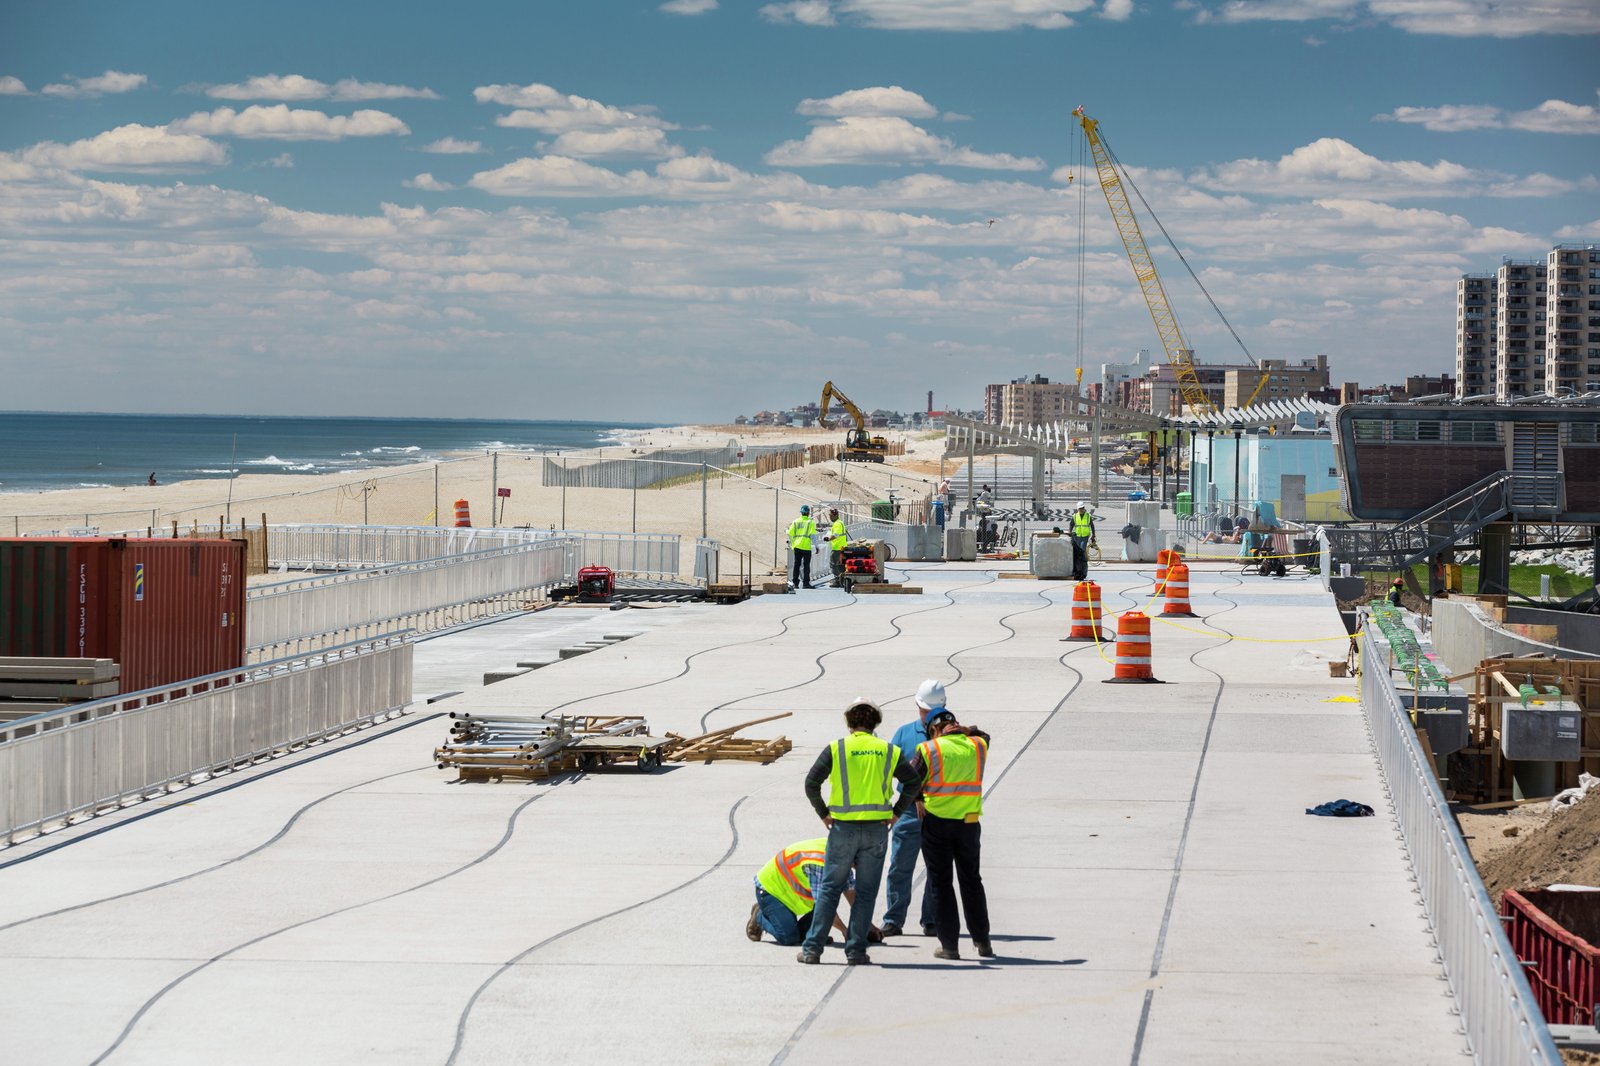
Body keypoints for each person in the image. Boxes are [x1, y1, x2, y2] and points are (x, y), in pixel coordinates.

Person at [798, 699, 921, 965]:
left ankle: (812, 950)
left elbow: (811, 783)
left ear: (849, 722)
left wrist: (823, 813)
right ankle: (855, 951)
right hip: (877, 829)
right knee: (865, 892)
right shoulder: (888, 750)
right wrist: (898, 811)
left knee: (830, 889)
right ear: (875, 722)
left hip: (842, 828)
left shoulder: (837, 749)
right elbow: (912, 781)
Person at [909, 709, 993, 960]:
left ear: (934, 730)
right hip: (968, 823)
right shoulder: (976, 745)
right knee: (971, 881)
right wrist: (964, 730)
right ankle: (983, 942)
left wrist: (918, 799)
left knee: (941, 883)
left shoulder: (928, 749)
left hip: (937, 823)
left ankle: (949, 946)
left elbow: (909, 780)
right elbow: (984, 735)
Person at [880, 680, 945, 939]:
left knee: (936, 869)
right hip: (907, 812)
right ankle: (894, 920)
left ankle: (931, 920)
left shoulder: (952, 735)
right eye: (924, 711)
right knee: (900, 866)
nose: (929, 716)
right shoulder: (904, 734)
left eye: (933, 711)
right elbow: (890, 769)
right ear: (917, 705)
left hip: (939, 811)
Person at [746, 837, 881, 946]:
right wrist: (845, 931)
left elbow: (852, 896)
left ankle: (807, 934)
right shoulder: (821, 865)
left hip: (788, 893)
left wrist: (869, 926)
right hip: (770, 891)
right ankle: (760, 916)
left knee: (826, 907)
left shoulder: (843, 855)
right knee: (789, 938)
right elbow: (824, 907)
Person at [787, 504, 817, 590]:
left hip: (797, 546)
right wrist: (817, 546)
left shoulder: (796, 521)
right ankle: (806, 583)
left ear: (801, 513)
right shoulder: (810, 522)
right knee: (806, 565)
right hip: (806, 547)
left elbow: (790, 533)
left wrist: (786, 530)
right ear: (808, 513)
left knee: (797, 564)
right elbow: (813, 536)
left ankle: (795, 583)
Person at [1070, 502, 1097, 581]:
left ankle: (1082, 568)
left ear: (1084, 508)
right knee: (1077, 552)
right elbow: (1071, 524)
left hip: (1085, 536)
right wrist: (1070, 532)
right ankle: (1078, 568)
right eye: (1080, 508)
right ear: (1077, 509)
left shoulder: (1088, 516)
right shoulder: (1075, 516)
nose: (1081, 510)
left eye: (1082, 508)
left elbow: (1092, 525)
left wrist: (1093, 535)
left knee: (1082, 551)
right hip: (1077, 536)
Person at [826, 508, 848, 583]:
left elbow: (835, 535)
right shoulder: (840, 522)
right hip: (841, 547)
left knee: (834, 565)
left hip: (837, 548)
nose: (830, 517)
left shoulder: (837, 524)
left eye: (831, 516)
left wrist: (828, 539)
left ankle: (838, 580)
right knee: (840, 565)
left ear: (836, 516)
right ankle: (840, 579)